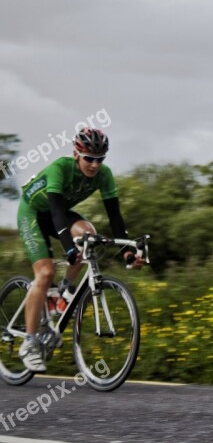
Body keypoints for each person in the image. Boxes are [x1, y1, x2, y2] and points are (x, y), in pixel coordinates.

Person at [16, 128, 144, 372]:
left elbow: (115, 217)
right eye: (89, 159)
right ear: (76, 154)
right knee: (44, 274)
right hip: (33, 213)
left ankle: (63, 291)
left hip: (59, 214)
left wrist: (127, 252)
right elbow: (55, 213)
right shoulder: (59, 168)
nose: (95, 165)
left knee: (89, 236)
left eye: (100, 159)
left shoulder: (104, 175)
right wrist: (67, 248)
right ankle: (29, 343)